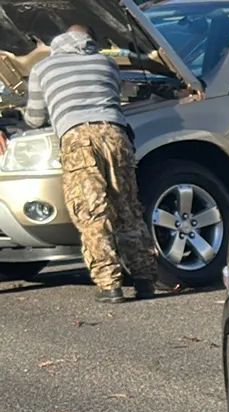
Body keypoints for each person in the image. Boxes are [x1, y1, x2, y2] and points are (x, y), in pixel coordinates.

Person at [20, 25, 159, 302]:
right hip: (116, 134)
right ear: (91, 41)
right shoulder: (106, 62)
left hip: (78, 139)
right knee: (127, 208)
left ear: (57, 41)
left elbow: (34, 118)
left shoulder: (44, 68)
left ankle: (110, 286)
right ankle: (145, 280)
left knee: (93, 212)